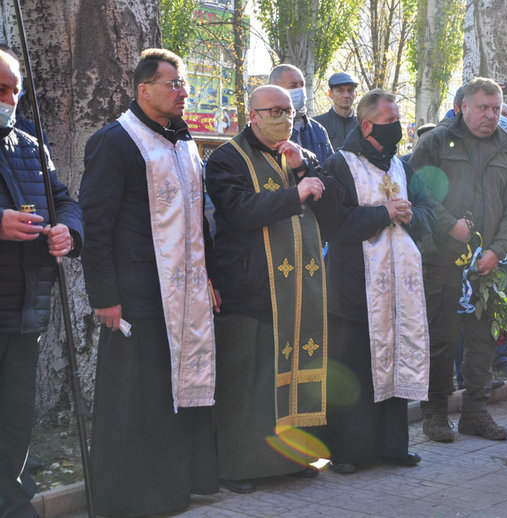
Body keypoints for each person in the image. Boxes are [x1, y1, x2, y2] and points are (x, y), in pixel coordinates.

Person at [80, 48, 218, 516]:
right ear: (144, 90)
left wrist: (209, 278)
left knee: (173, 394)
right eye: (173, 84)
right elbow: (96, 225)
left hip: (186, 296)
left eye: (183, 85)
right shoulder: (115, 141)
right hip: (136, 296)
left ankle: (173, 488)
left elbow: (200, 220)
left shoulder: (184, 143)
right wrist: (104, 296)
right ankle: (126, 498)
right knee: (134, 397)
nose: (183, 92)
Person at [205, 85, 338, 493]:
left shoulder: (303, 154)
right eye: (274, 110)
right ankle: (240, 468)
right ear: (253, 115)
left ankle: (293, 459)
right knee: (249, 381)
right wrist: (294, 192)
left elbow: (332, 212)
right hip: (251, 286)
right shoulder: (227, 158)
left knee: (296, 374)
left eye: (288, 111)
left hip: (302, 288)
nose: (283, 117)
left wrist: (301, 170)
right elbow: (240, 212)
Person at [319, 88, 434, 474]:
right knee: (354, 367)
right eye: (389, 122)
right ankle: (349, 451)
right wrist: (382, 213)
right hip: (355, 288)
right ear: (367, 125)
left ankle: (392, 446)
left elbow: (429, 211)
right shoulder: (339, 164)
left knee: (396, 361)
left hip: (400, 289)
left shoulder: (402, 166)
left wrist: (410, 216)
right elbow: (333, 225)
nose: (396, 128)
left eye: (397, 120)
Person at [411, 77, 507, 442]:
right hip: (440, 259)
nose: (491, 116)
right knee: (441, 340)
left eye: (496, 109)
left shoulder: (506, 149)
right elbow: (419, 192)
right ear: (462, 107)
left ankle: (475, 413)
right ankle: (435, 414)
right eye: (483, 108)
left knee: (480, 342)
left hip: (486, 264)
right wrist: (449, 226)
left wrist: (498, 250)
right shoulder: (435, 142)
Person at [0, 49, 82, 518]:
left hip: (27, 305)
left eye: (16, 90)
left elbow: (64, 200)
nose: (10, 99)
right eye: (0, 89)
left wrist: (69, 231)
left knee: (15, 418)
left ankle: (12, 503)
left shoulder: (31, 139)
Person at [269, 64, 334, 164]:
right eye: (293, 86)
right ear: (275, 89)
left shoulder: (318, 129)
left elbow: (331, 170)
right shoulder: (267, 130)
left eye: (302, 85)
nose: (300, 90)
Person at [313, 72, 359, 149]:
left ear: (356, 94)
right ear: (330, 94)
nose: (346, 95)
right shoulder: (316, 124)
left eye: (350, 90)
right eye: (340, 91)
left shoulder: (363, 125)